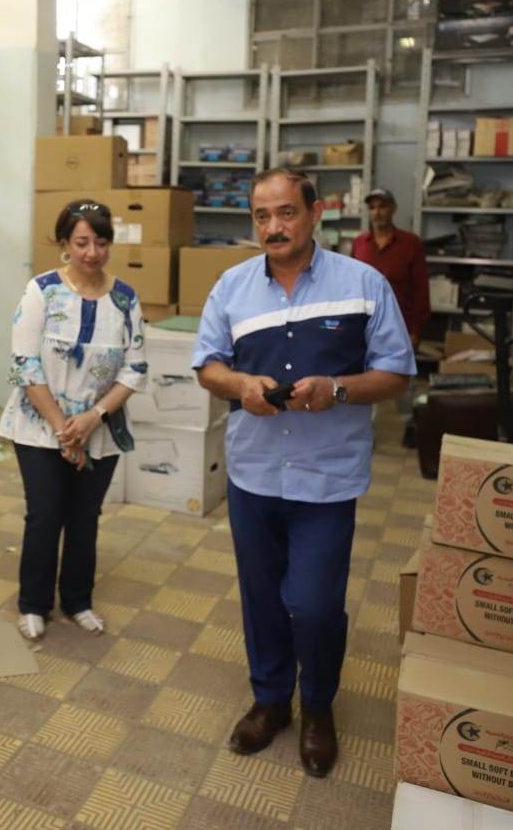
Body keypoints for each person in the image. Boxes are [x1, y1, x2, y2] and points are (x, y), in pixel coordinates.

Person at [191, 168, 414, 778]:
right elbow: (208, 366)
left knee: (314, 605)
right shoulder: (232, 287)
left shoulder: (363, 284)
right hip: (254, 474)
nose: (274, 227)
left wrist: (336, 389)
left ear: (315, 214)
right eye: (262, 216)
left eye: (286, 212)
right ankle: (270, 701)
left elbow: (396, 374)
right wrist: (241, 384)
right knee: (262, 598)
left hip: (327, 477)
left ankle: (317, 706)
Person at [0, 200, 148, 642]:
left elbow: (135, 369)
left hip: (100, 428)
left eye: (101, 242)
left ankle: (78, 600)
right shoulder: (42, 291)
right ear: (65, 243)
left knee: (85, 517)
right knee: (45, 515)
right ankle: (33, 604)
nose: (92, 252)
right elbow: (25, 365)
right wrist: (64, 427)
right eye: (82, 242)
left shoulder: (125, 298)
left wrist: (92, 418)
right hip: (39, 426)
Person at [351, 188, 430, 446]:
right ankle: (367, 432)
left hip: (399, 325)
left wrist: (415, 330)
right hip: (364, 325)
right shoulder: (360, 243)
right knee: (365, 380)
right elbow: (351, 286)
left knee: (402, 379)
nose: (377, 212)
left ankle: (411, 425)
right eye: (372, 207)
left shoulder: (411, 244)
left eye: (382, 206)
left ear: (393, 209)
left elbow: (420, 290)